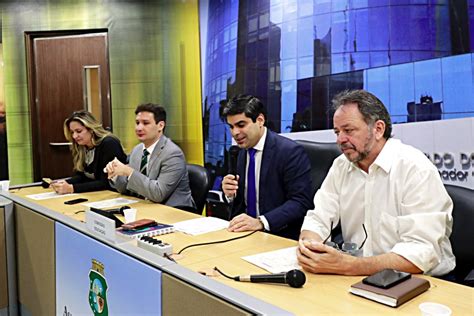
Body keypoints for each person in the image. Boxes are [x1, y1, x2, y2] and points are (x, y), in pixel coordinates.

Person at [297, 89, 455, 276]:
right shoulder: (341, 165)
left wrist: (351, 265)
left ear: (378, 129)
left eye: (348, 130)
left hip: (421, 280)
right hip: (359, 275)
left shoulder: (415, 168)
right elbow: (319, 216)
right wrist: (310, 246)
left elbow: (421, 252)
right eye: (337, 132)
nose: (340, 140)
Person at [220, 95, 314, 240]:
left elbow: (301, 202)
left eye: (241, 125)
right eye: (231, 127)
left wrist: (261, 222)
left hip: (278, 235)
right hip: (244, 234)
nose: (235, 133)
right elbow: (240, 204)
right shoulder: (239, 153)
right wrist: (229, 194)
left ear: (260, 120)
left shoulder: (289, 152)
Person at [105, 103, 195, 210]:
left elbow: (158, 194)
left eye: (145, 123)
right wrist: (116, 174)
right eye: (137, 123)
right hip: (146, 207)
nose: (139, 128)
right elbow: (125, 189)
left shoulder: (173, 153)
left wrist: (129, 172)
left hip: (174, 210)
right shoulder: (137, 150)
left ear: (160, 126)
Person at [51, 110, 127, 194]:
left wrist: (72, 188)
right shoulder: (82, 147)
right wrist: (64, 183)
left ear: (91, 129)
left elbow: (106, 182)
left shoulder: (109, 143)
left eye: (78, 131)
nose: (74, 136)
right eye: (72, 132)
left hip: (114, 194)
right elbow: (81, 176)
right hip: (96, 194)